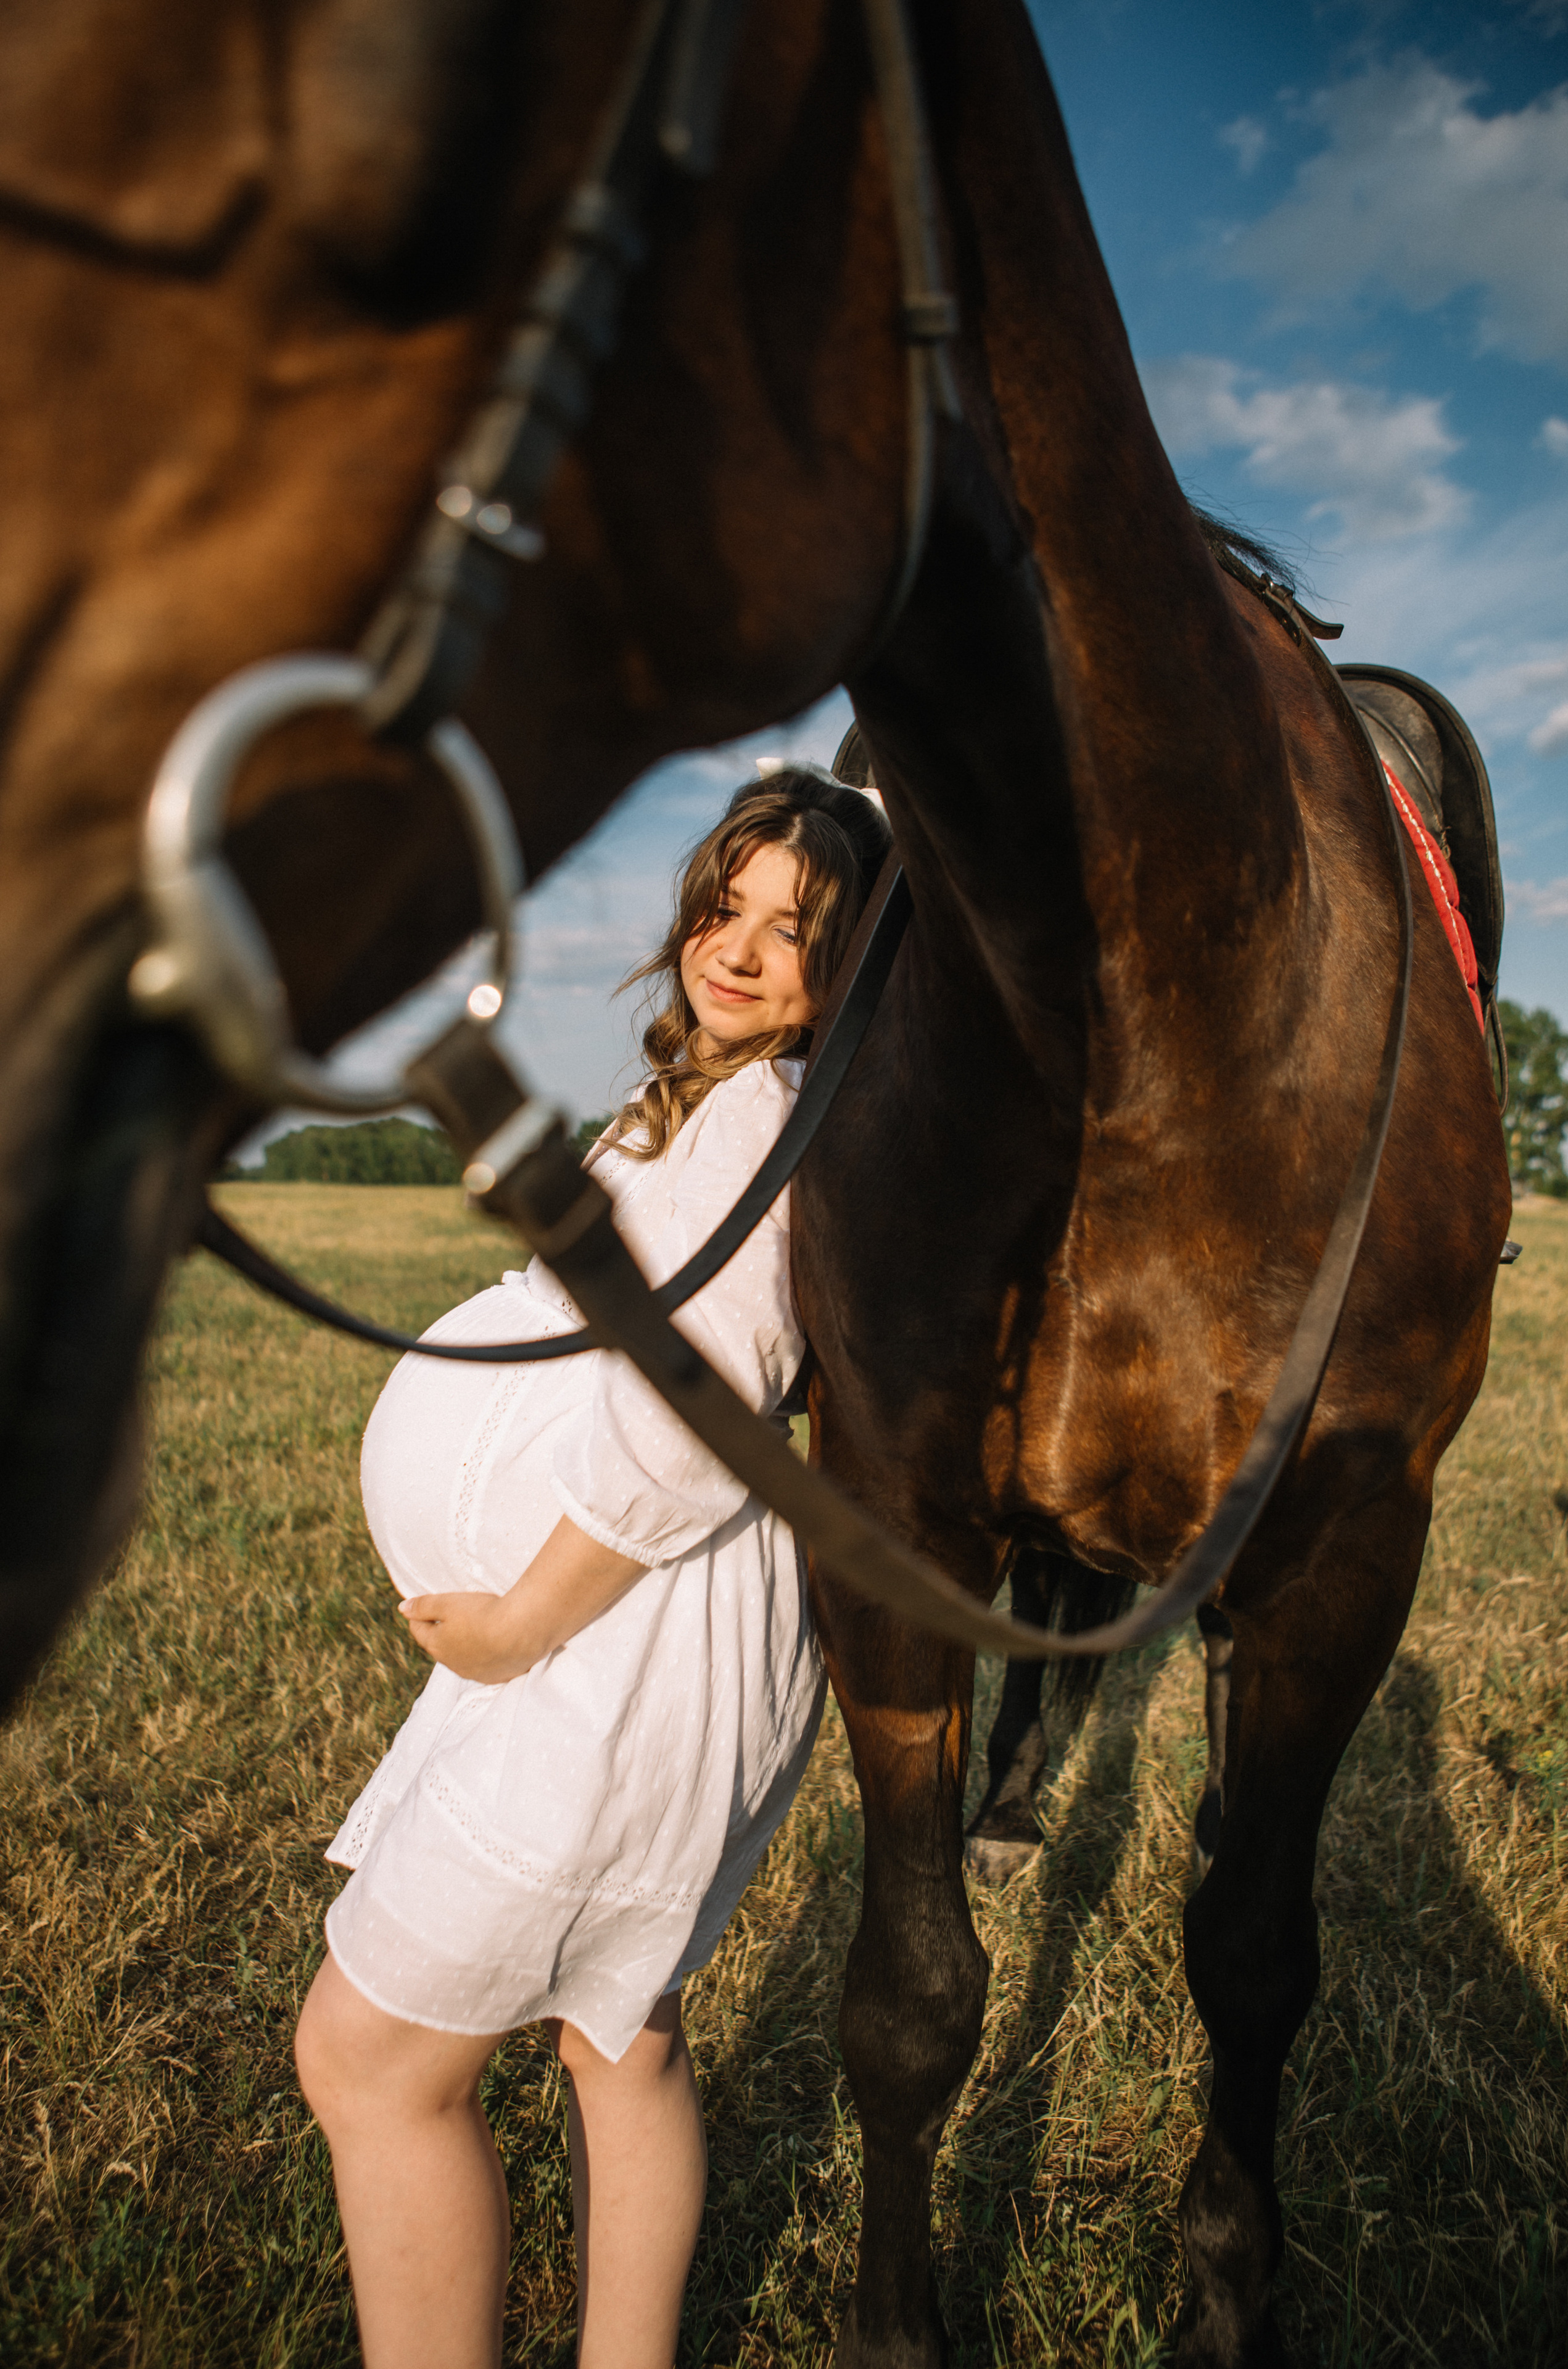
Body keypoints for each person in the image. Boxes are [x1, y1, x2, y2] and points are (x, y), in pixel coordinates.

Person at [294, 766, 891, 2369]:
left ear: (854, 973)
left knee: (368, 2062)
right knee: (621, 2033)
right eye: (726, 907)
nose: (743, 953)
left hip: (615, 1648)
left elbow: (693, 1423)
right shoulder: (703, 1096)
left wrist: (513, 1623)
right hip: (607, 1640)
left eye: (797, 932)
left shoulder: (770, 1119)